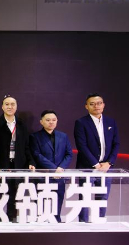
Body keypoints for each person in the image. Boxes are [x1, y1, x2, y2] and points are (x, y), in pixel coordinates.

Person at [0, 95, 36, 220]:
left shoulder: (21, 124)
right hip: (1, 165)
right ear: (2, 107)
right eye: (7, 104)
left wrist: (31, 162)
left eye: (13, 104)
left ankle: (11, 219)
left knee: (15, 194)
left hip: (18, 164)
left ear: (16, 106)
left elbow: (26, 146)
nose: (10, 107)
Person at [74, 93, 120, 221]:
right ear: (86, 106)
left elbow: (116, 143)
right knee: (85, 197)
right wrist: (96, 164)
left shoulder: (111, 122)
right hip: (87, 167)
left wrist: (109, 163)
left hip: (106, 167)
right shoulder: (81, 122)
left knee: (103, 196)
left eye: (99, 103)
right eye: (92, 104)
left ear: (103, 105)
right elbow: (81, 145)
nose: (96, 106)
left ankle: (99, 221)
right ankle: (83, 223)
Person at [30, 110, 73, 222]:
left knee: (58, 201)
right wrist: (54, 169)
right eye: (48, 120)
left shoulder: (63, 136)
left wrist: (61, 168)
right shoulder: (35, 136)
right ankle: (42, 223)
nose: (51, 122)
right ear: (41, 122)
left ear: (57, 121)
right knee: (41, 203)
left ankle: (56, 222)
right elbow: (36, 154)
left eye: (54, 120)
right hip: (43, 175)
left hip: (59, 176)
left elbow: (69, 154)